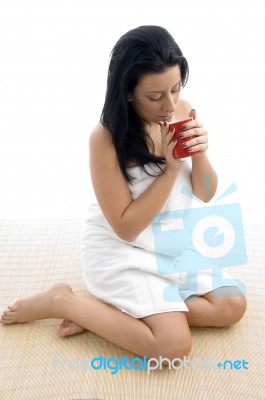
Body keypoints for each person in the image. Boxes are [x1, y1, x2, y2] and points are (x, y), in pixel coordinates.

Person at [0, 25, 247, 362]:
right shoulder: (105, 139)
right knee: (172, 347)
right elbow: (126, 227)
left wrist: (200, 150)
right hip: (122, 250)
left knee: (232, 304)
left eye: (175, 89)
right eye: (155, 96)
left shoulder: (180, 109)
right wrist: (172, 169)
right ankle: (62, 300)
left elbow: (205, 193)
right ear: (128, 92)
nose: (169, 104)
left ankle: (116, 313)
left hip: (168, 243)